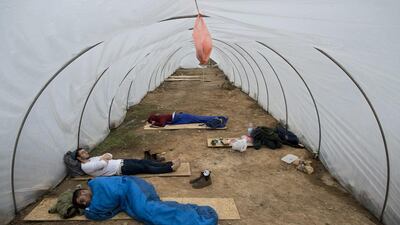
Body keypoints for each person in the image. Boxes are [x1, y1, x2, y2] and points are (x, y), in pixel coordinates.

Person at [72, 176, 218, 224]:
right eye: (82, 204)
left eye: (81, 199)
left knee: (147, 211)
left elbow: (97, 212)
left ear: (84, 191)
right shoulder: (96, 195)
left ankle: (199, 219)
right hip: (136, 189)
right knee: (152, 210)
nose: (84, 203)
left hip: (132, 187)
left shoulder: (96, 184)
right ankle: (189, 212)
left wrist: (87, 211)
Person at [74, 149, 180, 177]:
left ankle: (169, 163)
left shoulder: (92, 159)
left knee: (145, 161)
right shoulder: (86, 167)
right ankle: (170, 168)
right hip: (120, 169)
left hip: (121, 161)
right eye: (83, 153)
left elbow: (109, 155)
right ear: (79, 158)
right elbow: (102, 164)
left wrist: (103, 158)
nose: (86, 152)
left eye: (85, 151)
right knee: (145, 167)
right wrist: (103, 159)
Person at [147, 112, 228, 128]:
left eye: (152, 121)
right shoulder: (160, 117)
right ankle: (218, 118)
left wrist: (154, 124)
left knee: (201, 119)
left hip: (183, 117)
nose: (153, 122)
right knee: (200, 119)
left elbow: (162, 124)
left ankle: (221, 118)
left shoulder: (161, 118)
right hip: (182, 117)